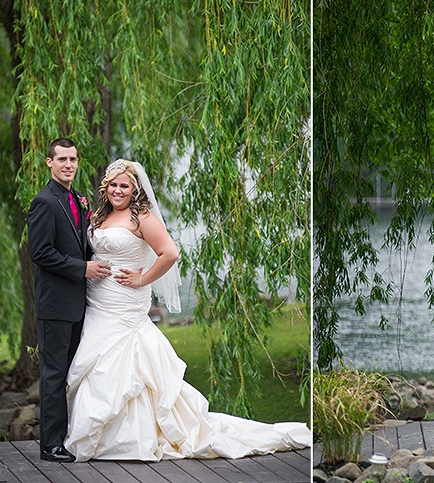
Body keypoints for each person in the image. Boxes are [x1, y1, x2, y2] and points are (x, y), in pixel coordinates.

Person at [63, 159, 311, 461]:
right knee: (96, 362)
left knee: (128, 365)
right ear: (106, 187)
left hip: (126, 301)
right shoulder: (100, 215)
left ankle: (132, 439)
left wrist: (142, 279)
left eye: (124, 185)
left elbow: (170, 253)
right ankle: (101, 437)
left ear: (134, 189)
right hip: (99, 300)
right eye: (113, 185)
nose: (117, 190)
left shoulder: (142, 217)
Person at [27, 139, 112, 463]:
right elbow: (41, 252)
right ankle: (50, 445)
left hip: (80, 304)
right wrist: (83, 269)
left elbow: (81, 244)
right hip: (55, 307)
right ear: (49, 162)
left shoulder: (77, 198)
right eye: (61, 159)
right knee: (53, 375)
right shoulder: (44, 202)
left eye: (72, 159)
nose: (68, 164)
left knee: (75, 372)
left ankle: (71, 437)